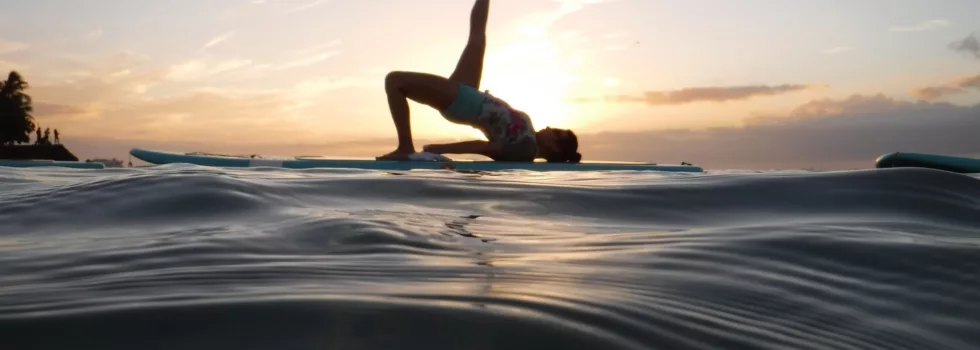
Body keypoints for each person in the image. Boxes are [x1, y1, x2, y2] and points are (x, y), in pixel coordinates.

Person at [377, 0, 581, 163]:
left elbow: (483, 147)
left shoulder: (524, 149)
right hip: (471, 96)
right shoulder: (529, 138)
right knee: (477, 37)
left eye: (555, 132)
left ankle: (405, 148)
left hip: (464, 103)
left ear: (554, 147)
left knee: (394, 81)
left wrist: (438, 149)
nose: (549, 127)